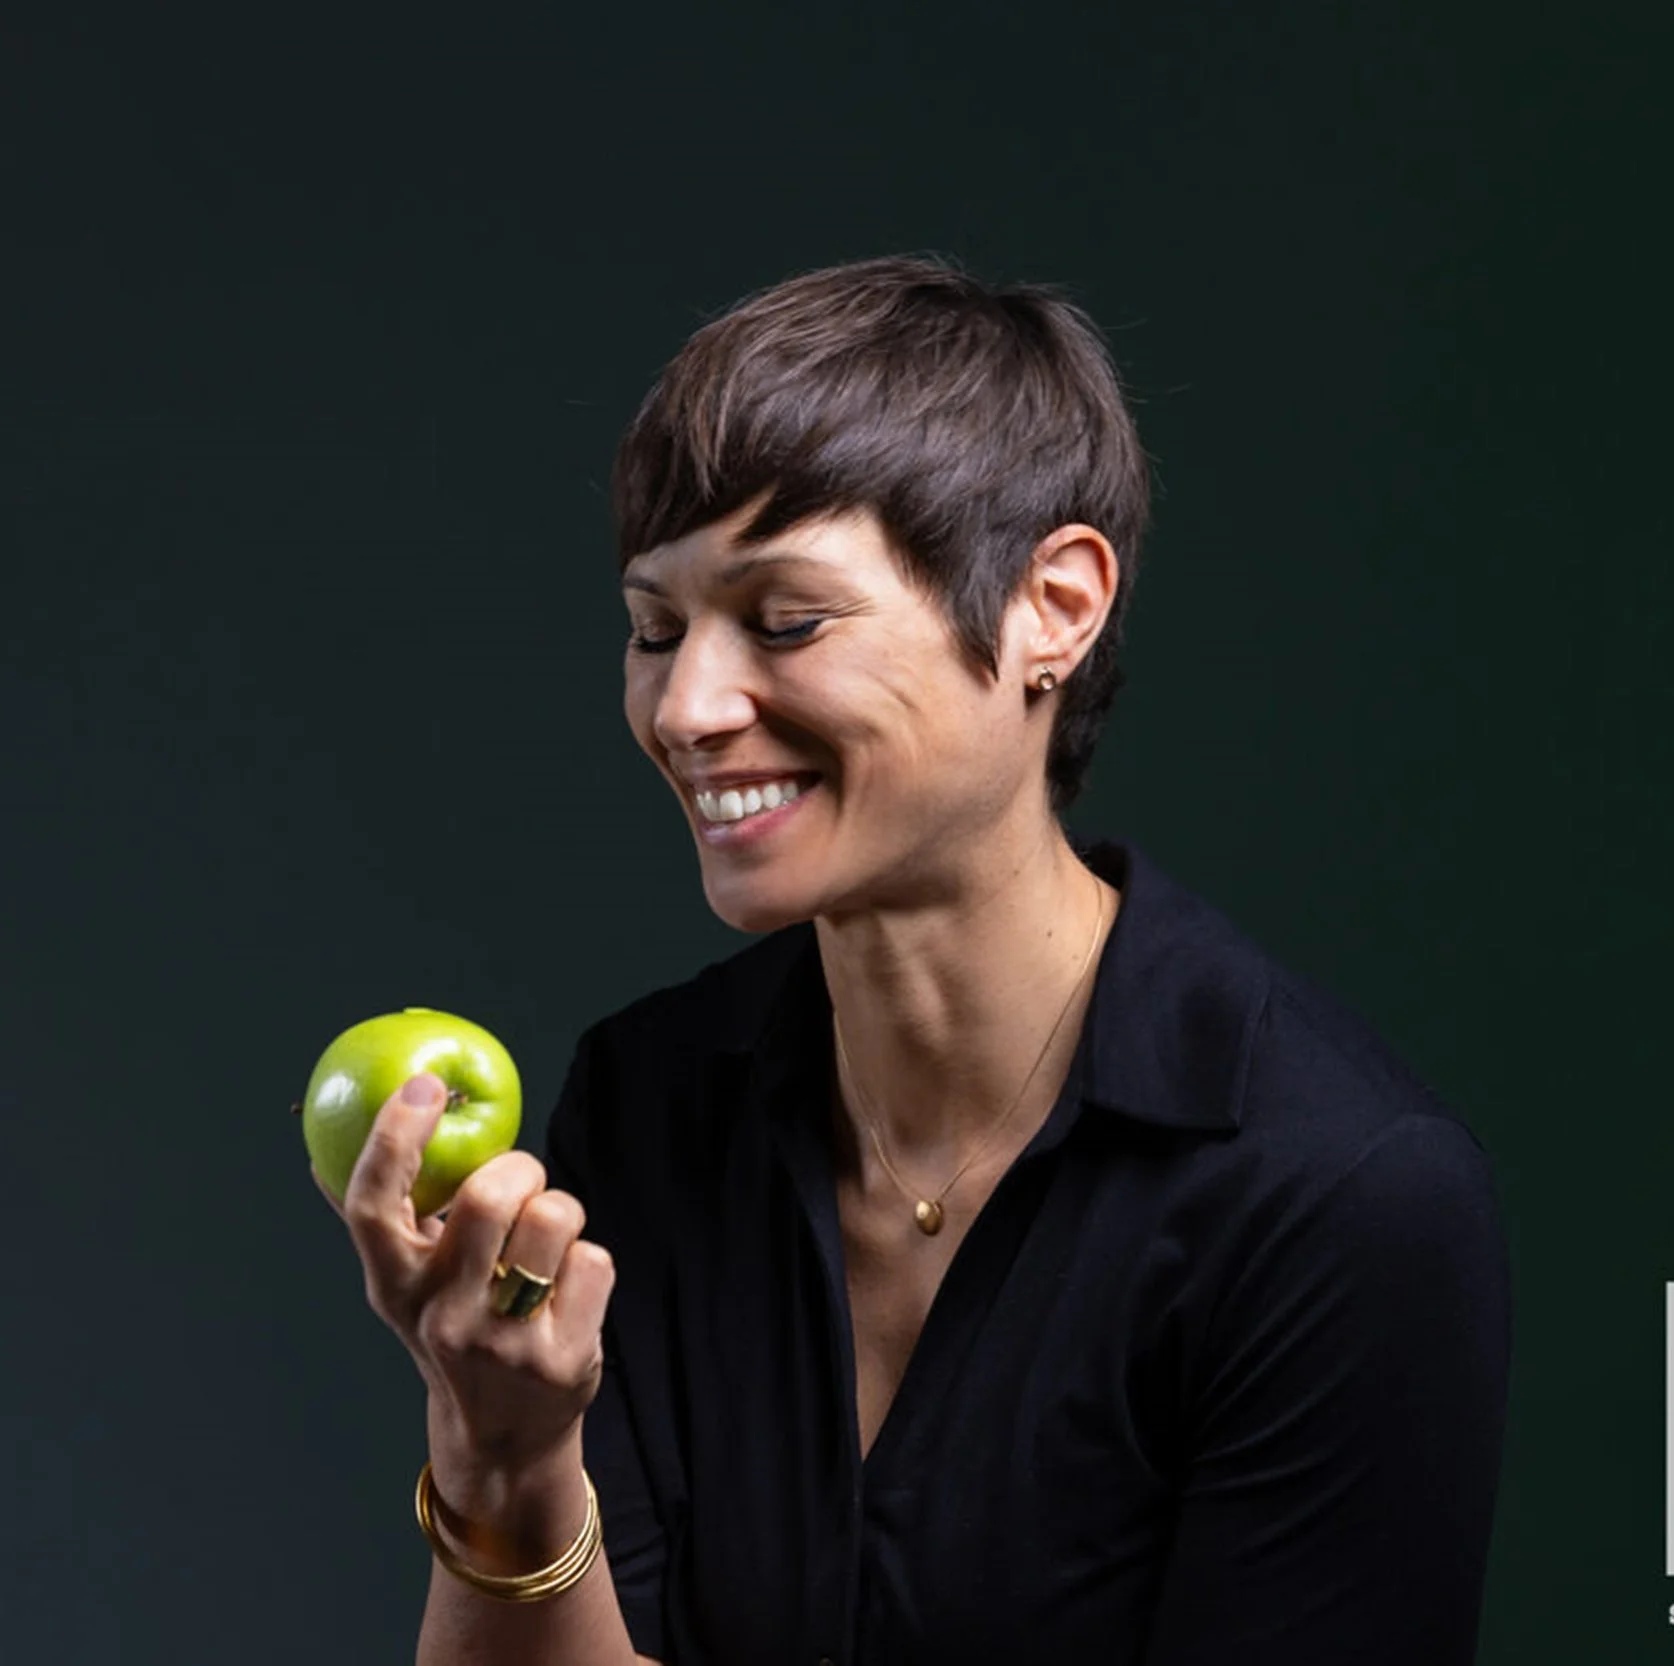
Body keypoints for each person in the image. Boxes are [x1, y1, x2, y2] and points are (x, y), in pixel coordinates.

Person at [320, 254, 1512, 1665]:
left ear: (1051, 608)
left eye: (786, 621)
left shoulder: (1334, 1199)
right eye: (654, 627)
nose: (687, 705)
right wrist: (503, 1455)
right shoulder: (647, 1105)